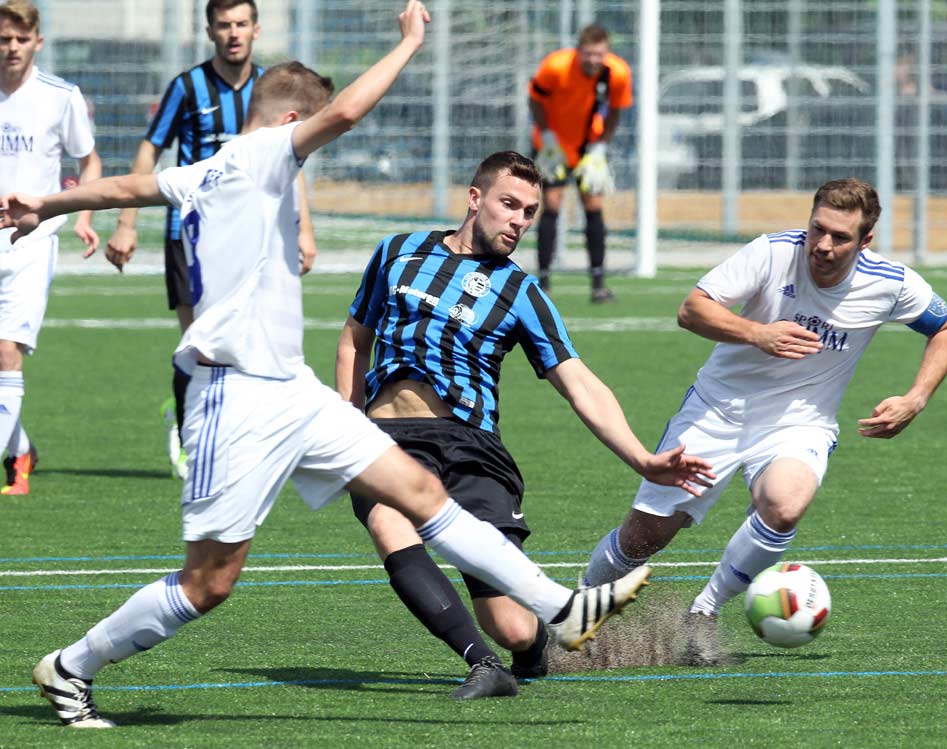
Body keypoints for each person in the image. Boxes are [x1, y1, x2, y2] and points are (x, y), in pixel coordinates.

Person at [2, 3, 655, 729]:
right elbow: (344, 111)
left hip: (292, 388)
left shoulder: (215, 166)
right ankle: (71, 666)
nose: (311, 151)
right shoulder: (261, 154)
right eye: (304, 137)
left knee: (416, 488)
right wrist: (409, 41)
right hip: (236, 394)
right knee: (209, 582)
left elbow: (127, 188)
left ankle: (560, 608)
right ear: (288, 126)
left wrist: (45, 202)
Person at [337, 151, 714, 699]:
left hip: (471, 447)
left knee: (511, 625)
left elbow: (578, 381)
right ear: (475, 198)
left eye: (530, 212)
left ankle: (546, 650)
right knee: (389, 524)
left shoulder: (520, 291)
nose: (519, 220)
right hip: (390, 441)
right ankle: (482, 666)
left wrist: (643, 458)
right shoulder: (398, 252)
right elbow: (354, 338)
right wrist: (349, 424)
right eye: (509, 204)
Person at [583, 178, 947, 664]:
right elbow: (691, 309)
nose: (823, 246)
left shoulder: (891, 284)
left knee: (785, 505)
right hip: (717, 410)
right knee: (645, 537)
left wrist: (916, 398)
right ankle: (579, 613)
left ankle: (702, 613)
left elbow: (946, 327)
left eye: (840, 237)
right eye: (817, 229)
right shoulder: (771, 253)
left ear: (865, 241)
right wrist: (757, 334)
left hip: (800, 423)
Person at [105, 0, 317, 481]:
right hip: (192, 234)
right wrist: (126, 222)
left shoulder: (271, 91)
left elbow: (290, 159)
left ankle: (239, 437)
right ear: (210, 31)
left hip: (257, 236)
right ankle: (190, 432)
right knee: (199, 340)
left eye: (241, 24)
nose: (233, 33)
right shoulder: (187, 87)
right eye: (224, 25)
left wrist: (304, 227)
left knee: (249, 341)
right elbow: (150, 149)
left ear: (256, 29)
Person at [0, 0, 101, 496]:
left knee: (6, 350)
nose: (12, 47)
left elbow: (89, 162)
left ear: (37, 42)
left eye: (21, 39)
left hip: (31, 242)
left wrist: (82, 216)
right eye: (4, 39)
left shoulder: (60, 97)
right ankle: (18, 449)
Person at [528, 23, 632, 302]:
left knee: (594, 207)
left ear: (607, 53)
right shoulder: (556, 66)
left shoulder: (617, 72)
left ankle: (598, 283)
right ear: (578, 51)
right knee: (550, 205)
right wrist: (547, 137)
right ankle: (543, 281)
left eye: (599, 54)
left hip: (589, 147)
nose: (593, 60)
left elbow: (616, 112)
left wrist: (600, 147)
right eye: (588, 54)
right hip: (553, 147)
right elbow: (535, 99)